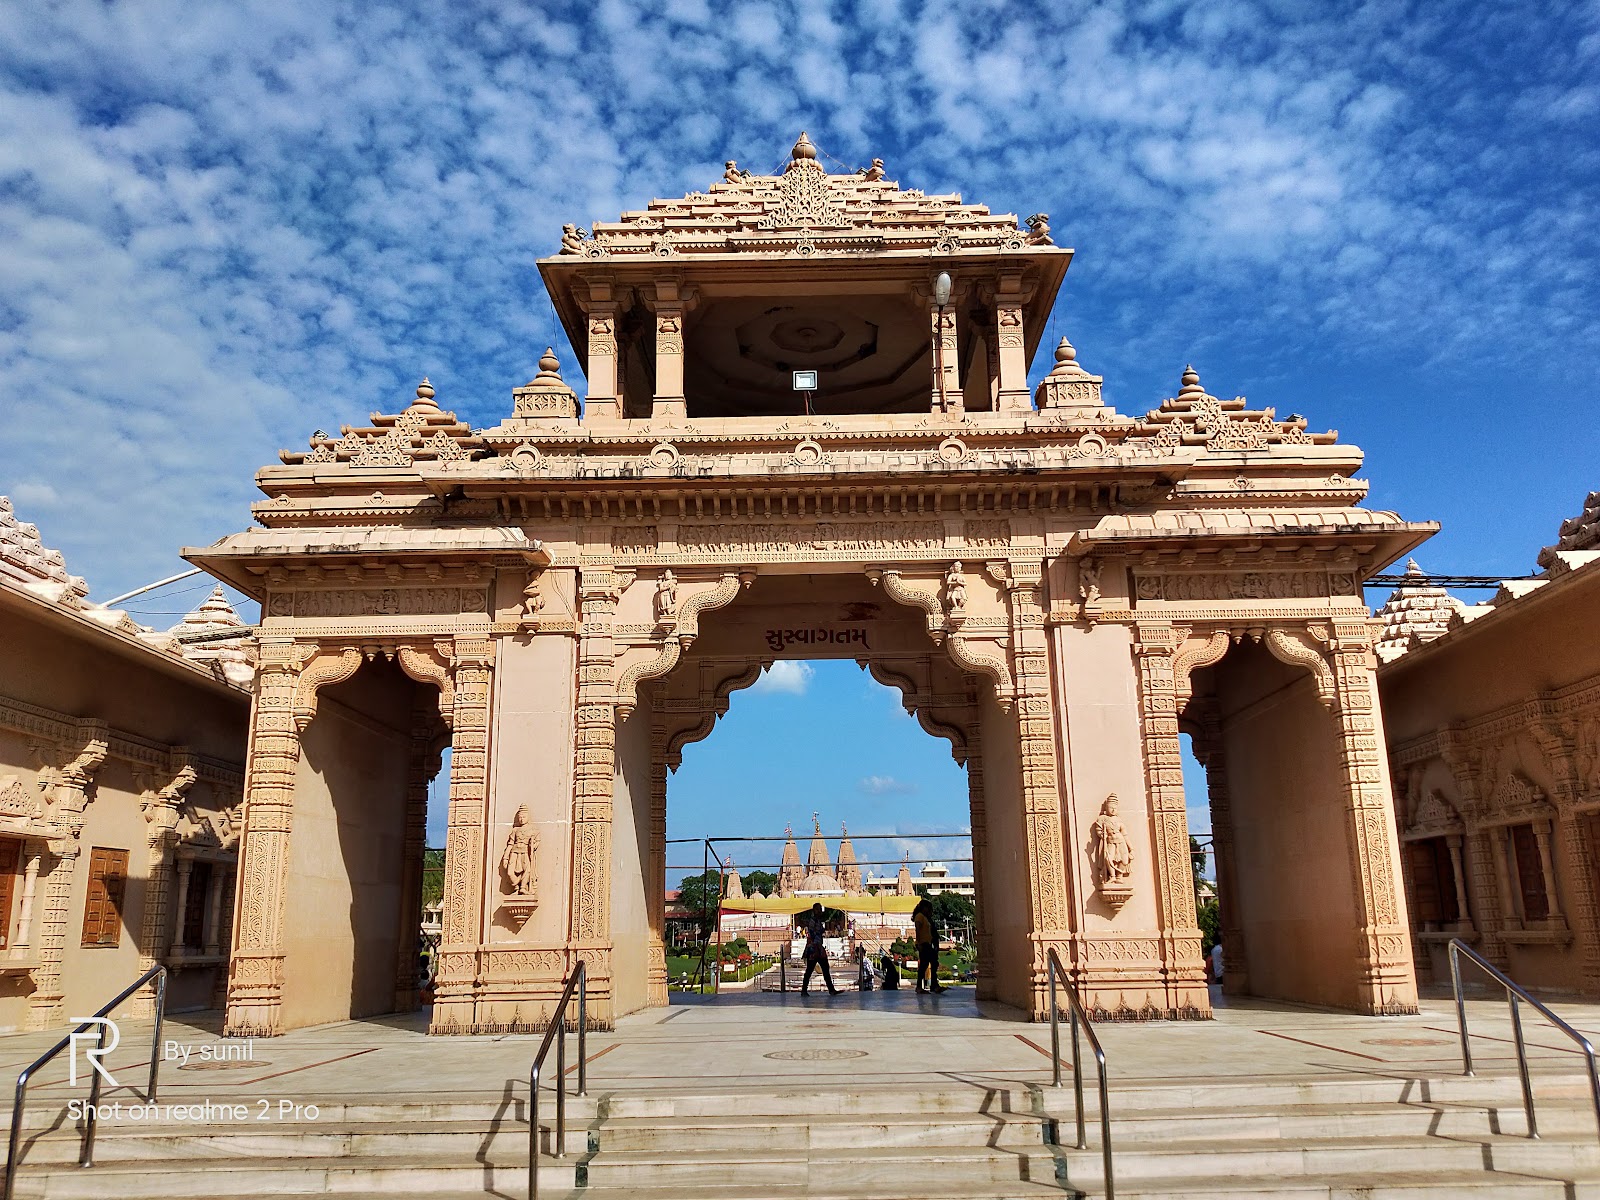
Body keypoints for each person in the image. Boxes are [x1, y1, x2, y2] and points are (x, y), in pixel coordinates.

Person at [799, 903, 839, 996]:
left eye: (820, 909)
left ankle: (831, 989)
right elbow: (812, 934)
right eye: (818, 909)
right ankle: (804, 990)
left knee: (825, 968)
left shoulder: (818, 921)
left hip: (818, 948)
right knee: (810, 970)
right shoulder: (812, 921)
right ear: (814, 910)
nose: (820, 911)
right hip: (814, 948)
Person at [913, 899, 946, 994]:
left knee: (929, 964)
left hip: (927, 943)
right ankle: (926, 986)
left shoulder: (924, 917)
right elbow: (918, 930)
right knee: (928, 964)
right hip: (923, 943)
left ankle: (931, 985)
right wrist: (919, 943)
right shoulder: (919, 917)